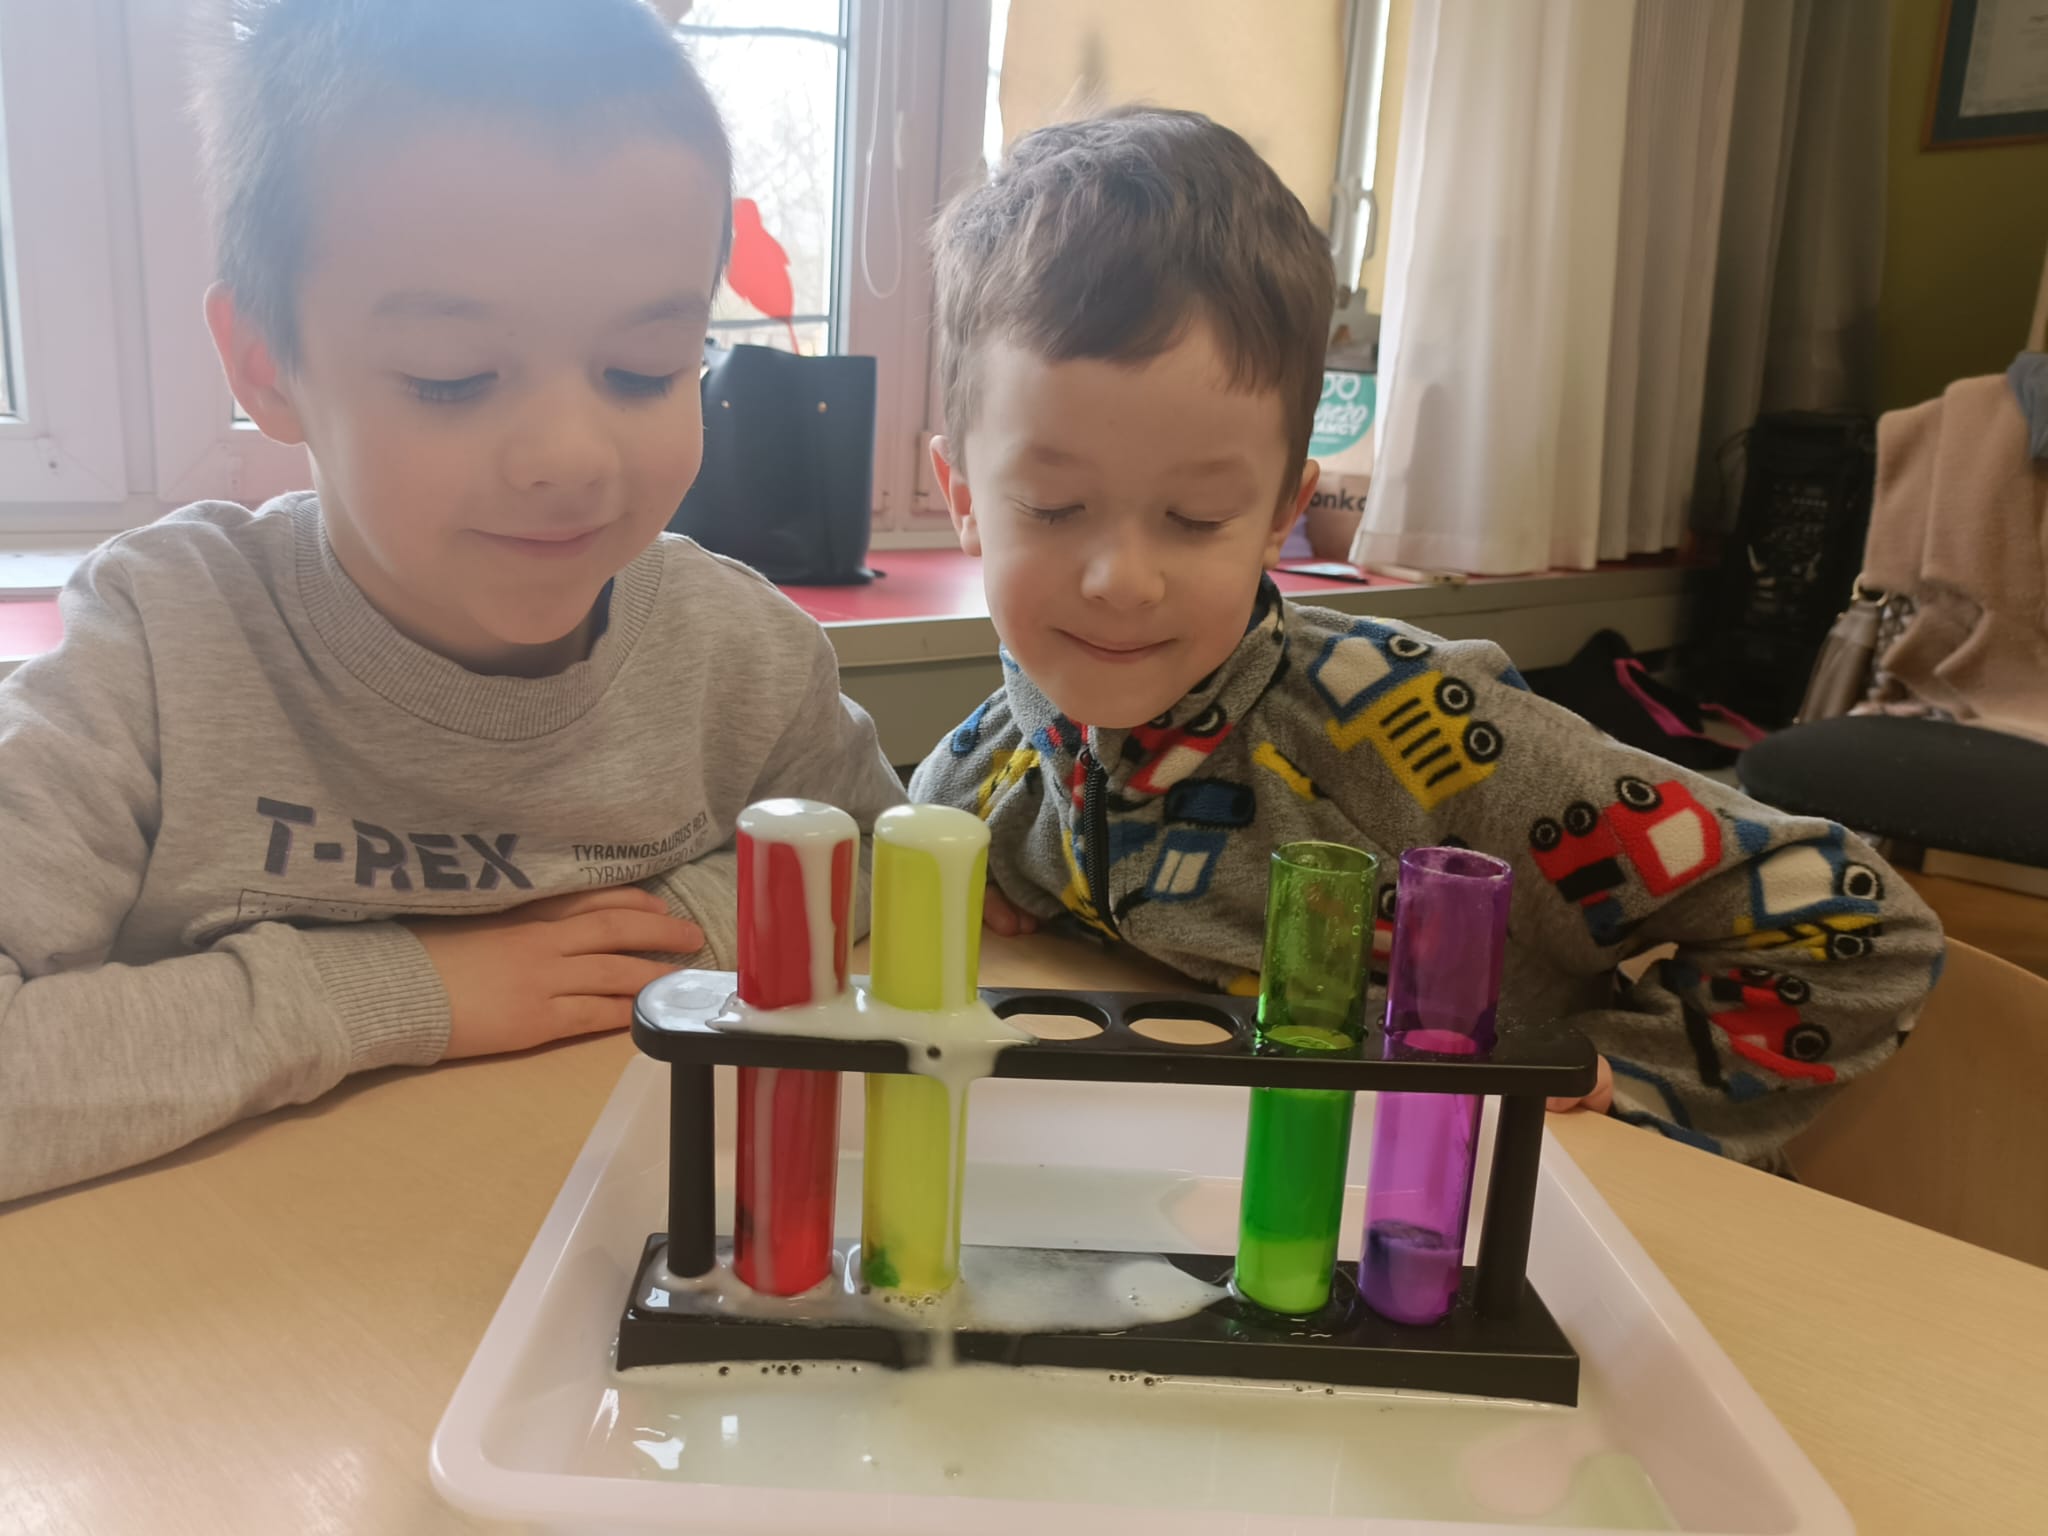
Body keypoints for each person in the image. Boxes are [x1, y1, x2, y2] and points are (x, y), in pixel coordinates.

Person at [910, 108, 1943, 1167]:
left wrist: (1623, 1070)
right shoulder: (982, 776)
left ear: (1279, 514)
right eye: (1051, 506)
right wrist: (993, 890)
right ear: (963, 499)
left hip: (1505, 1204)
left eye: (1195, 517)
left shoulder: (1430, 745)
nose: (1122, 582)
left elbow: (1858, 931)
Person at [0, 0, 904, 1203]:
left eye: (645, 369)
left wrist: (643, 936)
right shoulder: (158, 648)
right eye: (452, 378)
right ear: (267, 365)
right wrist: (406, 989)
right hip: (245, 1275)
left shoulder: (742, 655)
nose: (570, 456)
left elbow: (881, 865)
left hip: (587, 1234)